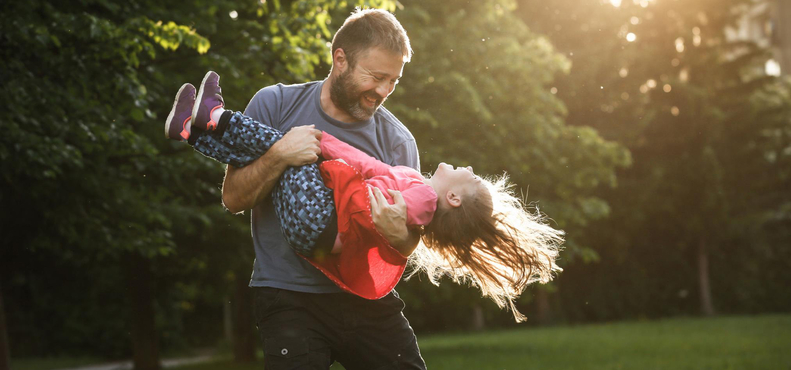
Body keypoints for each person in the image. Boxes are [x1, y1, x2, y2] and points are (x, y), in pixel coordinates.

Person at [165, 71, 564, 322]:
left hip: (321, 224)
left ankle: (215, 118)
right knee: (278, 149)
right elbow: (369, 167)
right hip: (315, 228)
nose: (470, 169)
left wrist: (327, 161)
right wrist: (328, 146)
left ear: (454, 199)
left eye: (471, 179)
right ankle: (192, 129)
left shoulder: (422, 201)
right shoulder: (413, 181)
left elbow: (373, 204)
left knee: (282, 146)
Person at [208, 9, 427, 369]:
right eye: (376, 77)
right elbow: (233, 198)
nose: (383, 91)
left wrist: (399, 236)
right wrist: (279, 155)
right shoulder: (275, 105)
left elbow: (408, 245)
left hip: (366, 299)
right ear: (339, 59)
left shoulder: (398, 142)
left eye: (394, 81)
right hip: (290, 298)